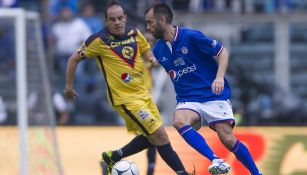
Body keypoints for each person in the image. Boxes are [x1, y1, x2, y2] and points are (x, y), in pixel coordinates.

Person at [64, 1, 193, 175]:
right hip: (124, 99)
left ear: (125, 18)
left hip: (143, 95)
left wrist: (151, 59)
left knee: (155, 136)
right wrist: (69, 87)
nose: (117, 22)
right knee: (159, 134)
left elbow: (146, 50)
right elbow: (73, 59)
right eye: (112, 19)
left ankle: (114, 157)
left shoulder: (135, 33)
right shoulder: (98, 40)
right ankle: (182, 173)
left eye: (119, 18)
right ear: (106, 21)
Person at [145, 3, 263, 175]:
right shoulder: (159, 49)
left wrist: (219, 77)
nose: (148, 27)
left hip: (213, 94)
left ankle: (256, 173)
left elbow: (223, 52)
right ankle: (216, 160)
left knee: (228, 139)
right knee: (178, 121)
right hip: (188, 99)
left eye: (150, 22)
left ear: (162, 20)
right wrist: (150, 63)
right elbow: (156, 64)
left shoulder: (190, 36)